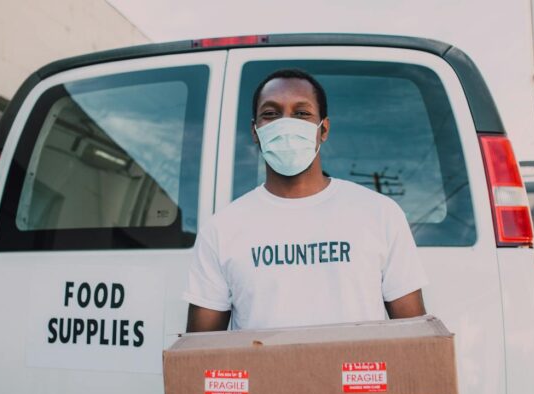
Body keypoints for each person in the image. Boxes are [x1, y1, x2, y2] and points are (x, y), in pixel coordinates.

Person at [183, 68, 427, 332]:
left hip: (354, 373)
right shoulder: (221, 229)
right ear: (255, 131)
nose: (285, 125)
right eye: (270, 114)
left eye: (301, 113)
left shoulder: (379, 214)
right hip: (266, 375)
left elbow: (415, 336)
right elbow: (200, 350)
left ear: (323, 130)